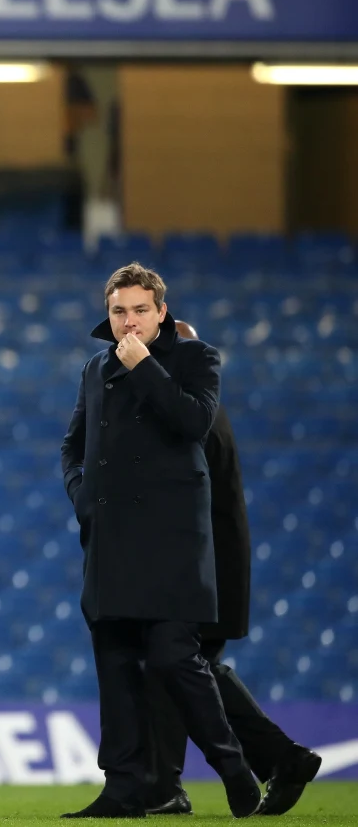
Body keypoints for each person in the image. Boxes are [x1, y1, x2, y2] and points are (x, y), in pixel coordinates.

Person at [60, 263, 261, 819]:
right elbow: (72, 446)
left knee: (177, 660)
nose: (128, 322)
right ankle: (122, 788)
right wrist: (82, 496)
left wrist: (145, 367)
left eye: (140, 310)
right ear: (108, 312)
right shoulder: (94, 368)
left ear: (161, 312)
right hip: (111, 539)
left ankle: (235, 770)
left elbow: (194, 422)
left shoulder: (197, 358)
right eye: (119, 311)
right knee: (116, 667)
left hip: (172, 541)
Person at [142, 321, 323, 817]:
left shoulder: (188, 416)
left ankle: (280, 758)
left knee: (179, 663)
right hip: (213, 564)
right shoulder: (205, 412)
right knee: (175, 668)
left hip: (201, 570)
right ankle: (169, 787)